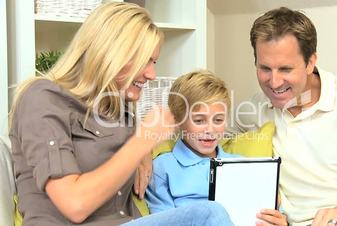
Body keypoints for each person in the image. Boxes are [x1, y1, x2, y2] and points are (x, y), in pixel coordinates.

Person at [8, 2, 234, 226]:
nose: (152, 74)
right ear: (110, 52)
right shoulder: (42, 98)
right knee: (207, 214)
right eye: (145, 60)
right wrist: (141, 144)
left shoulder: (118, 107)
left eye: (154, 61)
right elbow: (74, 205)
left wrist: (141, 150)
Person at [230, 6, 337, 226]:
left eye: (285, 69)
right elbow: (203, 144)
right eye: (265, 68)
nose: (274, 83)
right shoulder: (253, 109)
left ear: (311, 62)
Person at [145, 70, 288, 226]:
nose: (210, 129)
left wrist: (279, 222)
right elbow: (164, 222)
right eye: (199, 121)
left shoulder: (242, 165)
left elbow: (270, 214)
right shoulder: (163, 167)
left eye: (218, 120)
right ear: (178, 121)